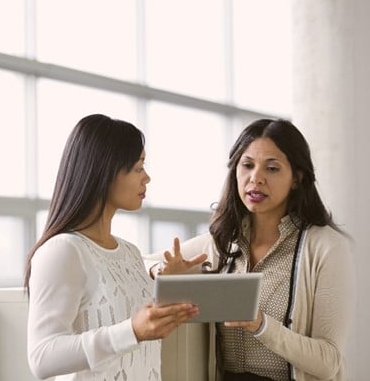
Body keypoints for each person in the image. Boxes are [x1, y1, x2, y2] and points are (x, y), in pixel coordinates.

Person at [145, 118, 355, 381]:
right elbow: (137, 261)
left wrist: (261, 325)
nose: (256, 178)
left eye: (272, 168)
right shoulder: (221, 243)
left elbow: (329, 362)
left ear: (297, 178)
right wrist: (161, 269)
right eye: (247, 165)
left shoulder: (327, 248)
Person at [24, 113, 199, 381]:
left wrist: (168, 284)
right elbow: (42, 357)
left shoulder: (130, 253)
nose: (147, 178)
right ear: (105, 171)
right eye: (139, 167)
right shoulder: (63, 250)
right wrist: (131, 331)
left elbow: (137, 336)